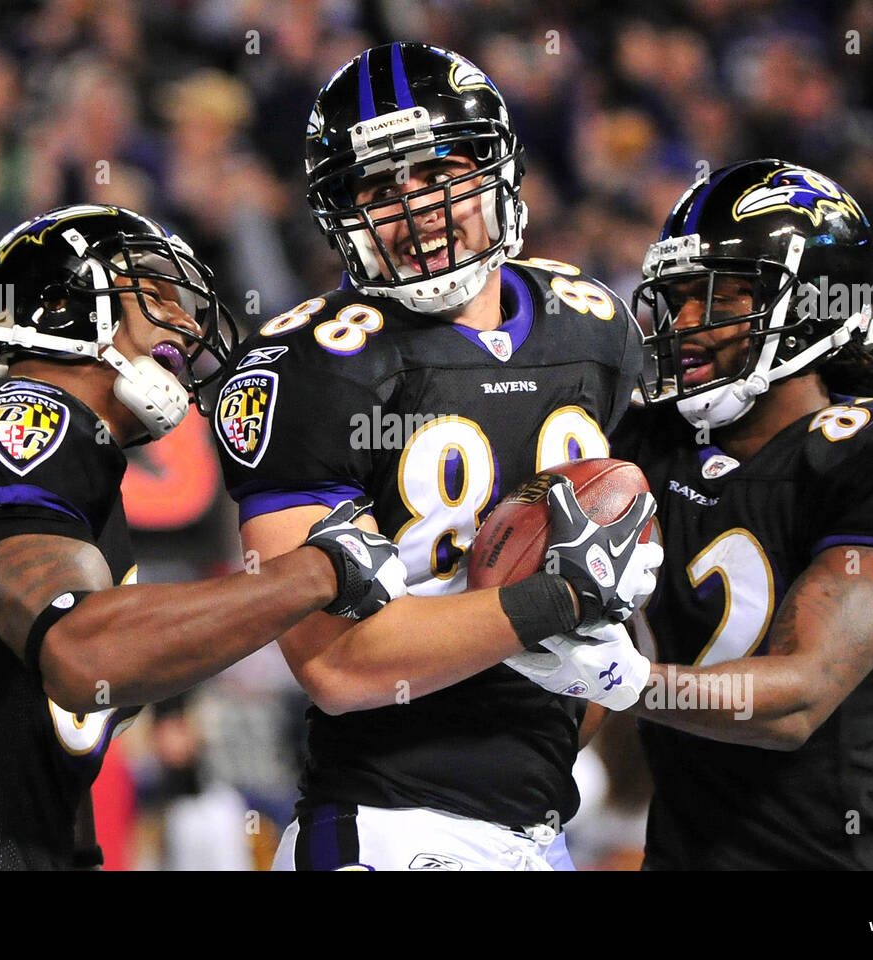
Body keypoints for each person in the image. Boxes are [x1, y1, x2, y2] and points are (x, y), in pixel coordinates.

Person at [0, 204, 409, 870]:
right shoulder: (24, 413)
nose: (186, 322)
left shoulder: (78, 472)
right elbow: (84, 651)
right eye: (156, 293)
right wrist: (319, 571)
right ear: (65, 305)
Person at [213, 43, 659, 871]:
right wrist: (549, 611)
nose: (413, 208)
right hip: (390, 817)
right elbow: (337, 666)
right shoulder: (311, 366)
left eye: (434, 172)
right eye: (378, 189)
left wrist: (603, 644)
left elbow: (615, 543)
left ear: (498, 170)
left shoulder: (593, 327)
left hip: (540, 826)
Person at [598, 159, 873, 868]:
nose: (683, 325)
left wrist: (620, 680)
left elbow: (797, 700)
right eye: (674, 300)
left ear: (813, 304)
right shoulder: (647, 443)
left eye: (715, 299)